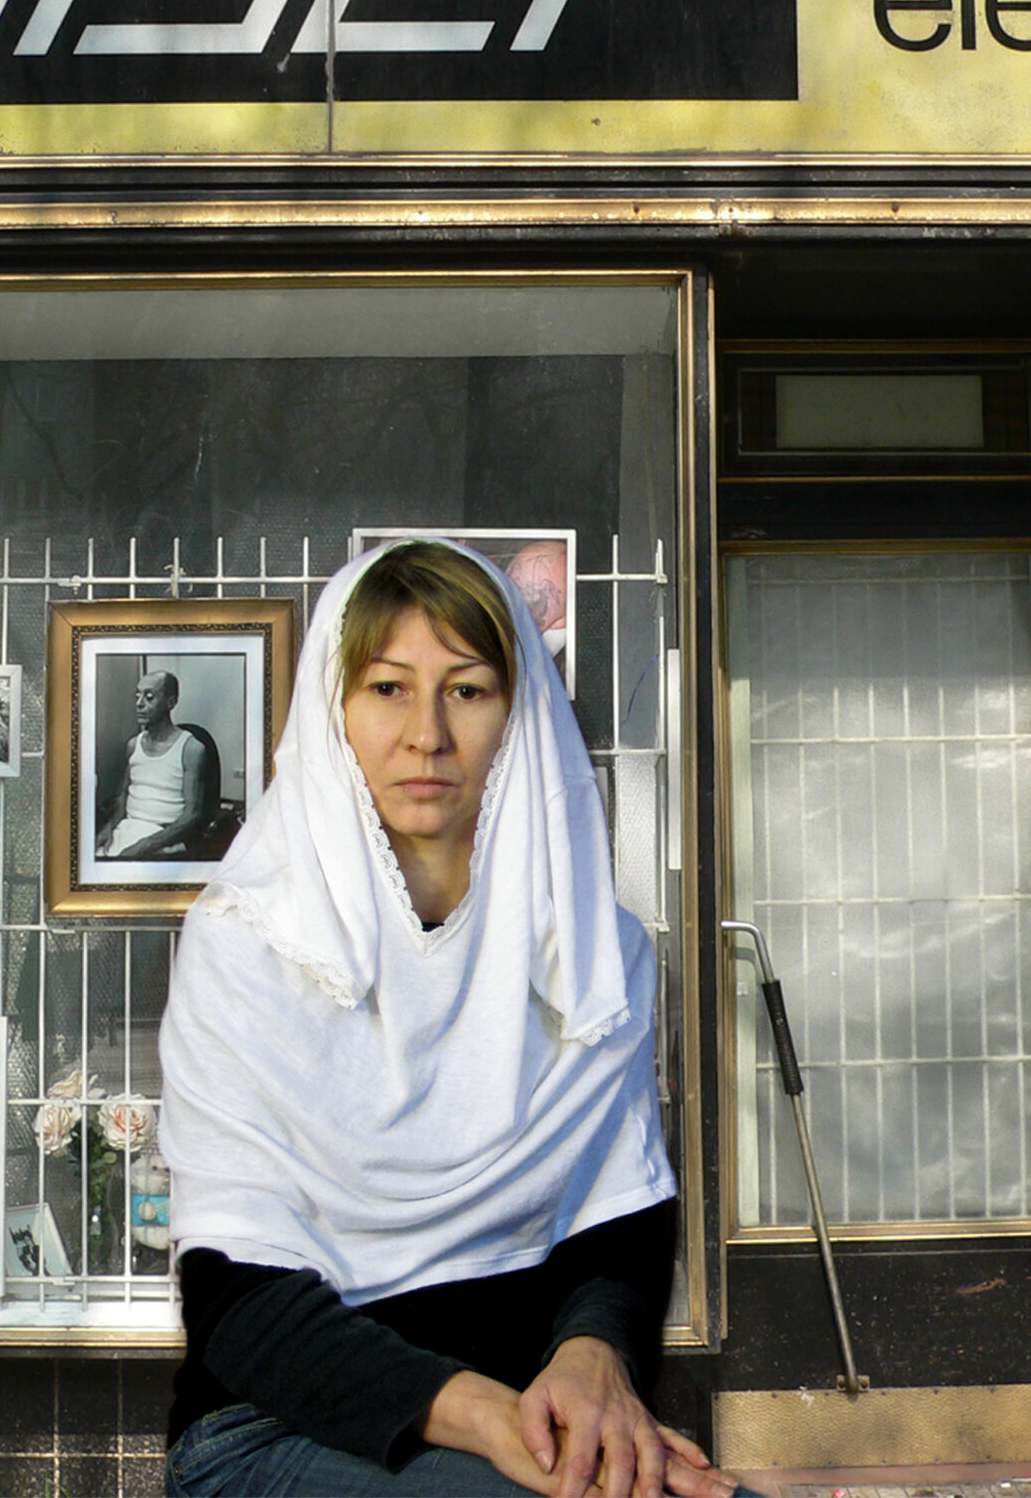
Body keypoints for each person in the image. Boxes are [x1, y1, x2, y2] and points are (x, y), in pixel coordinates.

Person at [160, 540, 736, 1498]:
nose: (426, 733)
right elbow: (238, 1300)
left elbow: (619, 1211)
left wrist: (593, 1357)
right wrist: (493, 1420)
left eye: (467, 690)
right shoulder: (245, 949)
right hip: (272, 1431)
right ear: (332, 711)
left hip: (531, 1420)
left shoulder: (597, 956)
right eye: (387, 688)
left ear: (521, 714)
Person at [99, 671, 217, 860]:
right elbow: (123, 795)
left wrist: (144, 845)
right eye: (137, 696)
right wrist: (109, 828)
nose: (139, 703)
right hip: (126, 830)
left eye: (149, 697)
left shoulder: (191, 749)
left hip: (163, 838)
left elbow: (193, 814)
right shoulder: (133, 745)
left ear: (171, 702)